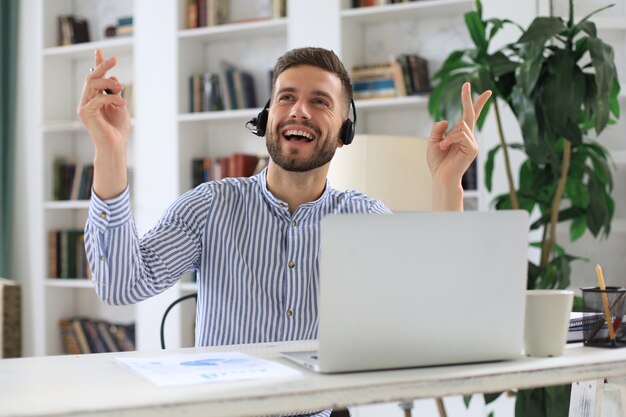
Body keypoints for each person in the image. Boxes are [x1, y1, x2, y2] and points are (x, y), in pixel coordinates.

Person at [78, 47, 490, 346]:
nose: (299, 111)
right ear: (266, 118)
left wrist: (446, 183)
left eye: (319, 102)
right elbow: (119, 286)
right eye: (287, 97)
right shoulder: (209, 206)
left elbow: (440, 308)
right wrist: (110, 151)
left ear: (345, 132)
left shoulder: (366, 219)